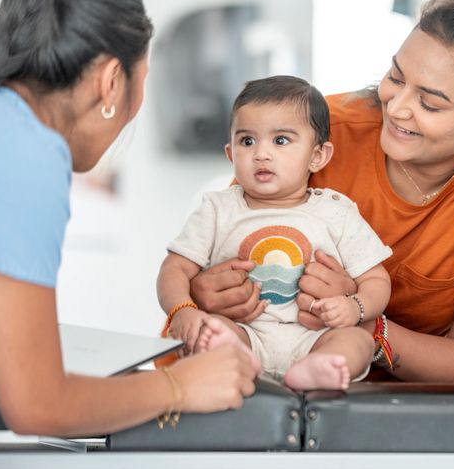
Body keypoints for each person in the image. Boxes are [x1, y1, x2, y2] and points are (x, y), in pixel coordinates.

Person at [188, 0, 454, 383]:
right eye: (396, 78)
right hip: (249, 372)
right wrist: (203, 291)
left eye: (430, 103)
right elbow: (219, 244)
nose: (396, 108)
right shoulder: (319, 136)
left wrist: (362, 319)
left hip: (387, 409)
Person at [0, 0, 260, 437]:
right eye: (143, 77)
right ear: (111, 81)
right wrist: (182, 384)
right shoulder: (26, 151)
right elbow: (38, 404)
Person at [157, 75, 392, 391]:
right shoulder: (217, 209)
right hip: (243, 331)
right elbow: (174, 269)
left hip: (316, 336)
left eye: (280, 140)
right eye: (247, 141)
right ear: (230, 154)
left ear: (317, 156)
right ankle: (236, 358)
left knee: (358, 341)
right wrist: (182, 310)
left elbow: (376, 279)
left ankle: (318, 369)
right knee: (212, 331)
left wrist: (356, 307)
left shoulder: (337, 211)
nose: (261, 154)